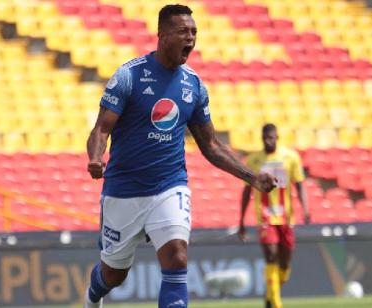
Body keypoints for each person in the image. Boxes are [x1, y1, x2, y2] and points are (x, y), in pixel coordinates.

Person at [84, 4, 277, 308]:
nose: (191, 38)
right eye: (183, 31)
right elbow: (101, 130)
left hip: (169, 187)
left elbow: (211, 145)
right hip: (123, 191)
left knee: (177, 256)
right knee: (114, 274)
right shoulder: (129, 76)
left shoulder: (195, 86)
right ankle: (93, 296)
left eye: (194, 32)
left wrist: (252, 178)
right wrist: (96, 158)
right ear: (162, 35)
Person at [237, 123, 309, 308]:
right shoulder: (254, 160)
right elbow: (247, 191)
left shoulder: (291, 157)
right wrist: (242, 220)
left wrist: (306, 209)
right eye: (265, 138)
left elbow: (300, 185)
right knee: (270, 255)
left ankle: (270, 296)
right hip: (265, 217)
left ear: (277, 138)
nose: (268, 141)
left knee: (284, 264)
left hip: (286, 217)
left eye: (271, 137)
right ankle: (276, 304)